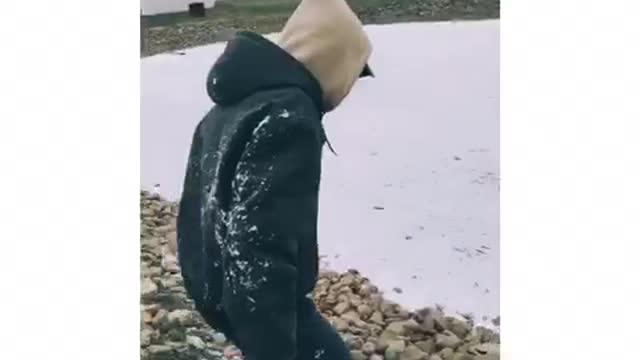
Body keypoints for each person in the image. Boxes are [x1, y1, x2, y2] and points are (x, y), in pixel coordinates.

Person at [176, 0, 373, 359]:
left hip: (216, 288)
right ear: (329, 58)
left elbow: (195, 210)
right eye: (353, 71)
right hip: (257, 303)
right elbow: (259, 243)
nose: (349, 88)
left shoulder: (233, 101)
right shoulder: (289, 114)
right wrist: (273, 346)